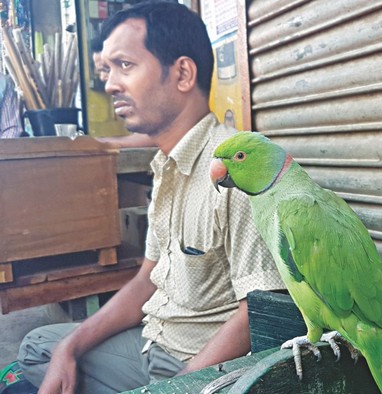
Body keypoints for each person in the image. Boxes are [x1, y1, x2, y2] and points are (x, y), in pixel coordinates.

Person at [16, 2, 285, 392]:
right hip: (151, 342)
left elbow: (259, 311)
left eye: (125, 65)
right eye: (108, 70)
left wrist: (175, 387)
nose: (109, 84)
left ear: (181, 73)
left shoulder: (233, 169)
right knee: (41, 348)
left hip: (201, 364)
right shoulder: (166, 166)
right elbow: (147, 278)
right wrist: (70, 347)